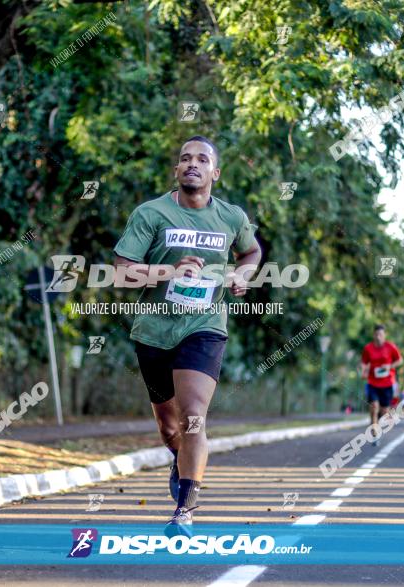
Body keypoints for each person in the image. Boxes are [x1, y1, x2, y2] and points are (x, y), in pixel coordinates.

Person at [114, 136, 262, 532]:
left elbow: (251, 251)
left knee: (194, 415)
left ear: (215, 172)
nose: (191, 164)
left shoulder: (231, 217)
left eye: (201, 159)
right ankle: (179, 462)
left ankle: (185, 510)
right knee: (169, 427)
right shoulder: (151, 213)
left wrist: (242, 274)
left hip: (204, 327)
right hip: (154, 330)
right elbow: (121, 270)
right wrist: (168, 272)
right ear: (177, 171)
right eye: (184, 159)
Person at [360, 324, 403, 444]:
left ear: (384, 336)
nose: (378, 337)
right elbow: (364, 362)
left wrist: (390, 366)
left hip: (387, 383)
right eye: (376, 334)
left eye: (381, 335)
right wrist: (363, 372)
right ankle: (374, 434)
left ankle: (376, 425)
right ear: (374, 335)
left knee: (384, 412)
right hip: (373, 383)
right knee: (374, 408)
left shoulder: (390, 347)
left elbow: (400, 360)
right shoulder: (368, 348)